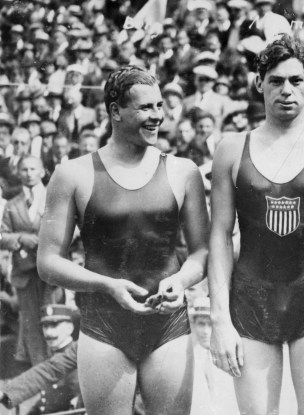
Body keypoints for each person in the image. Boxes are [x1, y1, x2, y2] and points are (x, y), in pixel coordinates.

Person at [208, 34, 304, 415]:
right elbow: (219, 236)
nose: (287, 91)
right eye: (276, 81)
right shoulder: (231, 149)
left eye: (296, 80)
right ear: (259, 83)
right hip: (251, 298)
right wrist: (219, 320)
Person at [37, 66, 209, 415]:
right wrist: (106, 285)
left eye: (160, 106)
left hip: (168, 325)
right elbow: (48, 261)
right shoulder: (72, 173)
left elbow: (202, 251)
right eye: (146, 108)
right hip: (104, 326)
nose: (157, 116)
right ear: (115, 111)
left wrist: (180, 279)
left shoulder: (183, 171)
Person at [1, 156, 61, 366]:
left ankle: (56, 371)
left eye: (32, 169)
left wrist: (49, 239)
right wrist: (20, 238)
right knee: (30, 323)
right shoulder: (11, 204)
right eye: (24, 169)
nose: (28, 173)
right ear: (18, 173)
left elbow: (72, 229)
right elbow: (1, 236)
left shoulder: (55, 198)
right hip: (24, 272)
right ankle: (39, 370)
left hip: (50, 270)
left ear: (43, 172)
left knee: (53, 318)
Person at [0, 304, 80, 415]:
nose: (48, 333)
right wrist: (5, 395)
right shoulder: (51, 356)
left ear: (70, 328)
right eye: (45, 326)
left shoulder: (81, 354)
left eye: (54, 326)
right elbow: (47, 372)